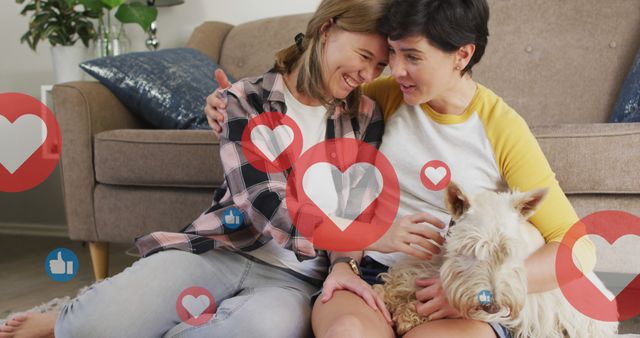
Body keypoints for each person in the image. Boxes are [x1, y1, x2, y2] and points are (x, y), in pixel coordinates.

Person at [0, 1, 446, 337]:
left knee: (263, 329)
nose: (367, 74)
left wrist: (345, 263)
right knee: (91, 329)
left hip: (295, 279)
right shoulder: (245, 99)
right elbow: (261, 205)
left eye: (378, 66)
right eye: (363, 57)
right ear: (327, 30)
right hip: (220, 249)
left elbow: (355, 200)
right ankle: (66, 317)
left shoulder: (364, 114)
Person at [204, 0, 596, 337]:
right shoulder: (383, 98)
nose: (394, 69)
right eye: (392, 53)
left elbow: (578, 250)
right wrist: (231, 101)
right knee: (346, 333)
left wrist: (475, 291)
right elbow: (301, 95)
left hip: (453, 287)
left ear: (462, 55)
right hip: (369, 271)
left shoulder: (500, 126)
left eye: (412, 57)